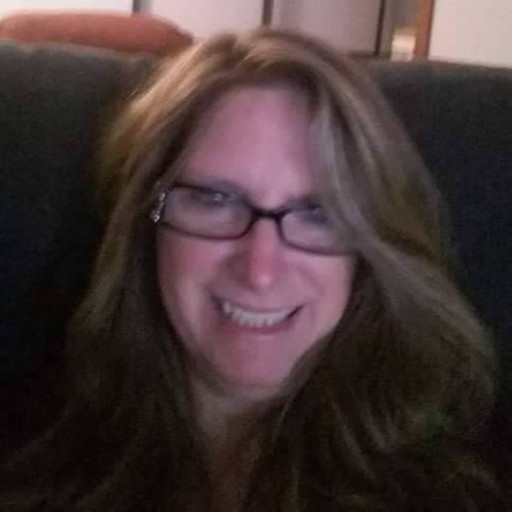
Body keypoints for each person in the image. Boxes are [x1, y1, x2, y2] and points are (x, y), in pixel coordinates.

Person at [1, 29, 499, 511]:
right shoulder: (32, 456)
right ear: (143, 221)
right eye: (214, 200)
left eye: (318, 213)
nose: (261, 270)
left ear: (370, 248)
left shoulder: (455, 491)